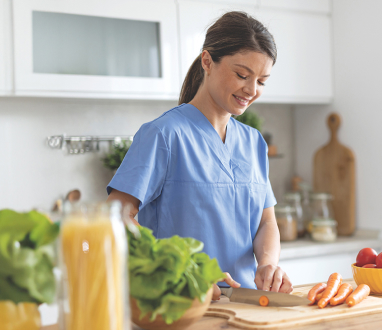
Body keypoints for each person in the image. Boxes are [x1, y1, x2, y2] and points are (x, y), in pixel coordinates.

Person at [107, 11, 293, 300]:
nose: (252, 90)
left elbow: (266, 222)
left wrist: (268, 263)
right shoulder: (163, 134)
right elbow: (116, 215)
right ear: (207, 61)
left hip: (247, 307)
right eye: (242, 75)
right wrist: (180, 271)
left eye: (262, 81)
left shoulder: (254, 142)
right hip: (179, 304)